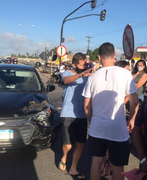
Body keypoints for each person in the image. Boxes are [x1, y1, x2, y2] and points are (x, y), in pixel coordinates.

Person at [82, 42, 139, 180]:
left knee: (96, 161)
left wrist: (92, 121)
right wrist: (131, 119)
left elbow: (86, 106)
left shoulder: (92, 77)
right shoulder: (125, 73)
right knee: (118, 166)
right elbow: (134, 101)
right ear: (114, 56)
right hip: (118, 129)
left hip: (97, 128)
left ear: (99, 57)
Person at [58, 52, 93, 180]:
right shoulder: (67, 73)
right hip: (68, 113)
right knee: (68, 145)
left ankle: (73, 168)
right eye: (82, 64)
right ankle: (64, 156)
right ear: (74, 64)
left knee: (81, 143)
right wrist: (80, 75)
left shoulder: (88, 76)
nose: (84, 66)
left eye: (85, 64)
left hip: (82, 115)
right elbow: (66, 81)